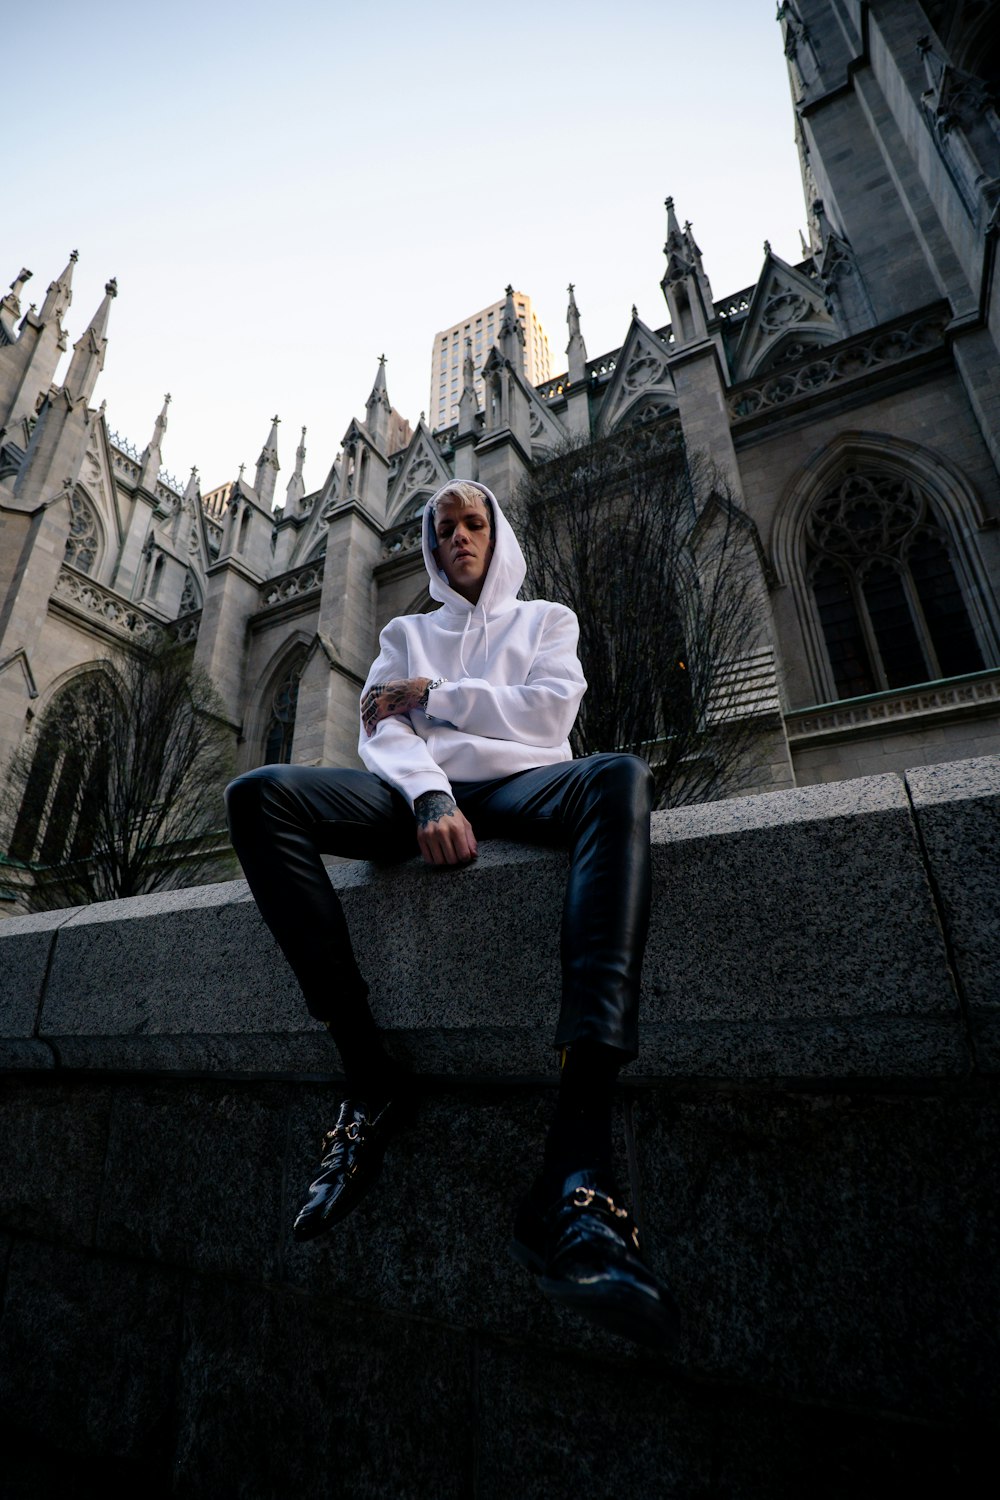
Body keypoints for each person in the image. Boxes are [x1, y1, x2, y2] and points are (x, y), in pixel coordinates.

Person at [225, 479, 677, 1349]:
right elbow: (380, 730)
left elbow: (547, 713)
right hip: (421, 798)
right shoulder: (403, 632)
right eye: (444, 529)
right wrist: (432, 795)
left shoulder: (547, 620)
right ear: (430, 548)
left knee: (619, 778)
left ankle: (578, 1167)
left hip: (531, 781)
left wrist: (433, 694)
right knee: (259, 798)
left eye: (474, 523)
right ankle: (369, 1078)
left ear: (496, 534)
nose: (459, 537)